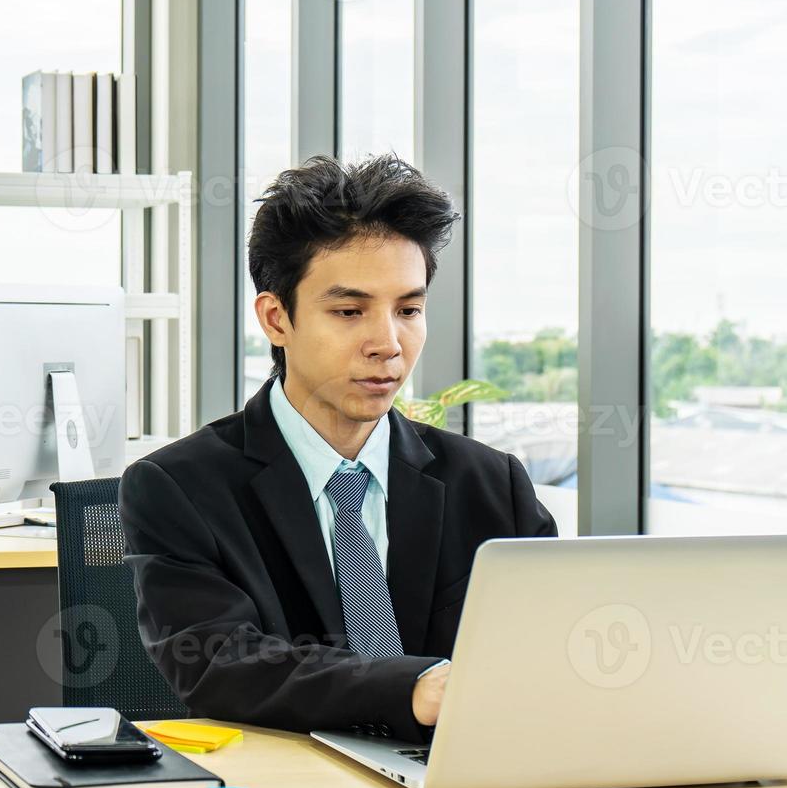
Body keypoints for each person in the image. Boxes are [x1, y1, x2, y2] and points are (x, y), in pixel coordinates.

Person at [120, 154, 557, 744]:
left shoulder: (489, 482)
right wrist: (410, 689)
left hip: (465, 779)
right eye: (350, 312)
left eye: (409, 310)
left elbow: (552, 648)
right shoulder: (179, 486)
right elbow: (222, 662)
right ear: (277, 319)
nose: (387, 343)